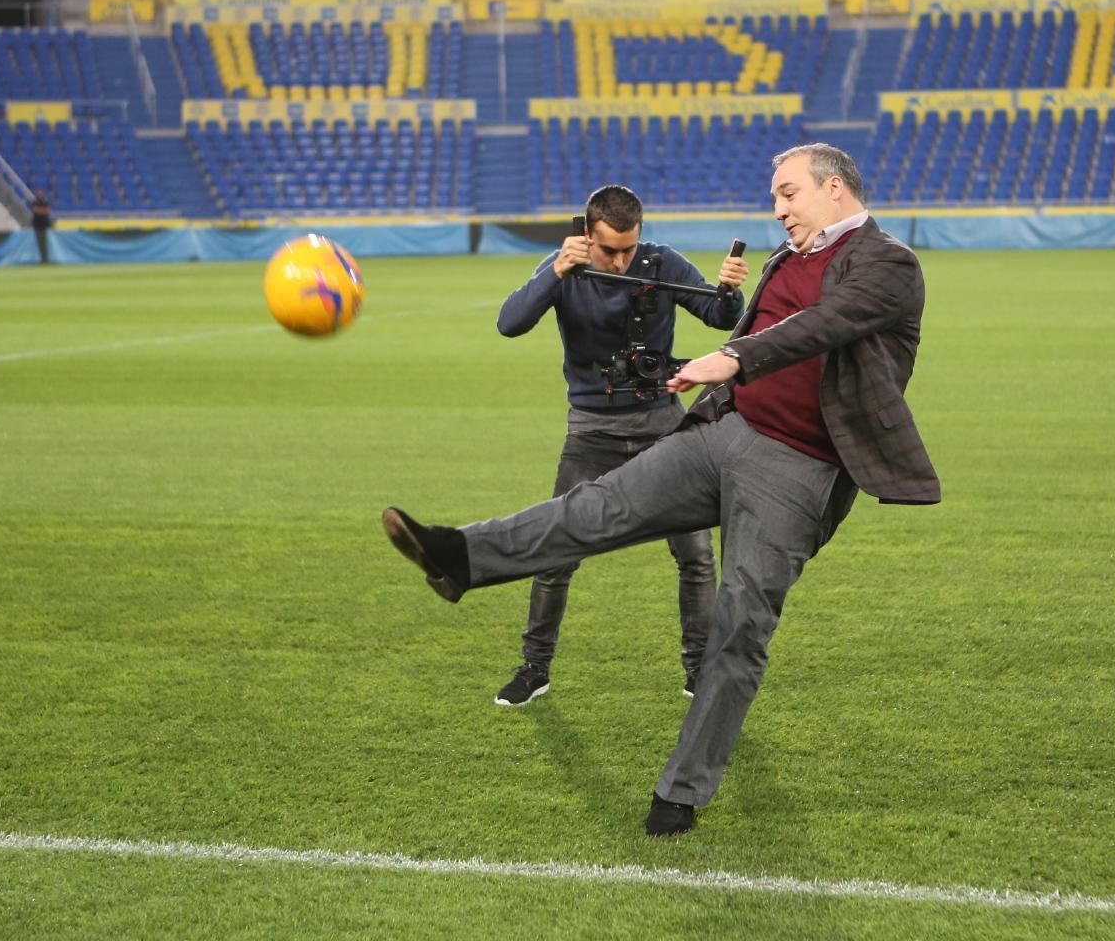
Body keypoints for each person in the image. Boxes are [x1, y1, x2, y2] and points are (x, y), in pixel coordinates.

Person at [381, 143, 940, 837]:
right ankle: (459, 556)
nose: (777, 208)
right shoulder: (787, 256)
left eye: (788, 193)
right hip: (724, 432)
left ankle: (681, 792)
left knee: (738, 628)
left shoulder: (888, 262)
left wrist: (730, 355)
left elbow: (824, 323)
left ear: (834, 188)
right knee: (596, 507)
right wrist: (709, 367)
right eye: (775, 195)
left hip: (798, 467)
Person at [490, 184, 747, 707]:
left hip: (662, 425)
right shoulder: (565, 267)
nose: (621, 260)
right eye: (609, 250)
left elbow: (721, 318)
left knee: (696, 555)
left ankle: (699, 670)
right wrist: (556, 271)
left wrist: (729, 289)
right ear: (586, 234)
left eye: (629, 248)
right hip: (591, 431)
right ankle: (534, 668)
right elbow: (509, 323)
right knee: (557, 552)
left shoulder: (661, 262)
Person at [30, 189, 53, 264]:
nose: (40, 194)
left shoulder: (45, 201)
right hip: (37, 225)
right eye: (38, 193)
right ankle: (42, 259)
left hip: (44, 225)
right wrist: (43, 210)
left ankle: (45, 259)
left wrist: (40, 210)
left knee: (44, 244)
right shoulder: (34, 202)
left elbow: (48, 211)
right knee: (39, 244)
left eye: (41, 193)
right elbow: (35, 210)